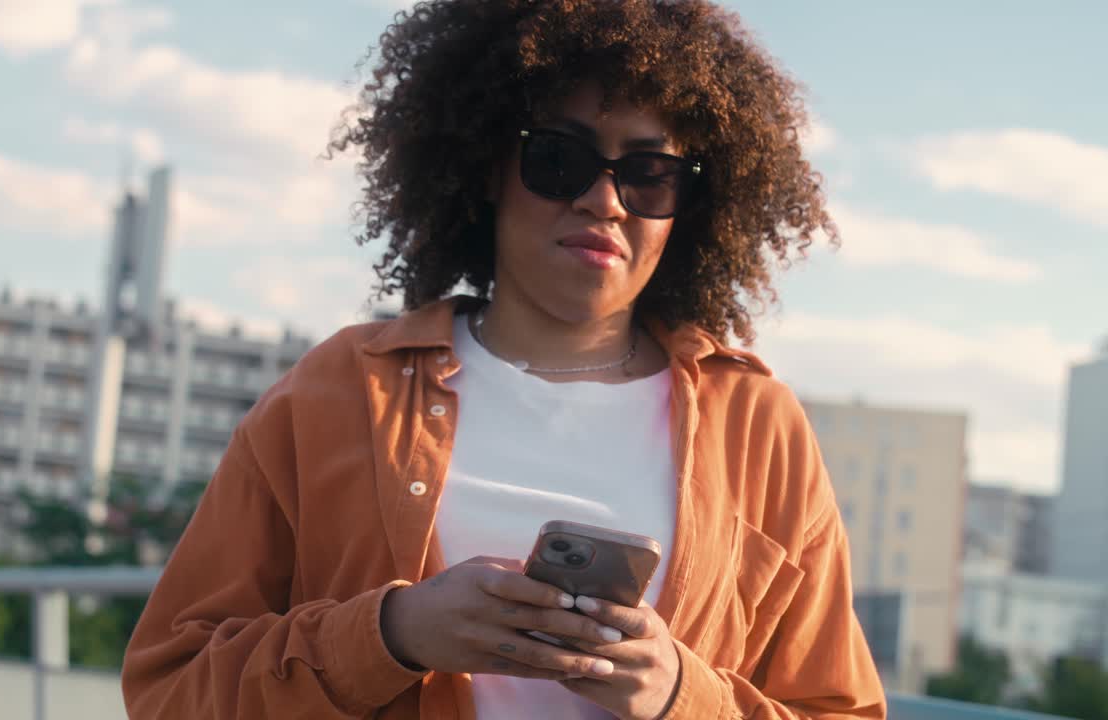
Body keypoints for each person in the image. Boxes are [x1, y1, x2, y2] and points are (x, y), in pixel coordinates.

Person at [121, 1, 886, 718]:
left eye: (649, 174)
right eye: (559, 160)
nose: (605, 201)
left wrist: (681, 693)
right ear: (488, 168)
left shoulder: (759, 428)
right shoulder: (336, 391)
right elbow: (170, 685)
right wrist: (393, 634)